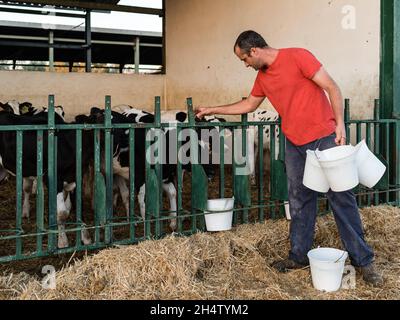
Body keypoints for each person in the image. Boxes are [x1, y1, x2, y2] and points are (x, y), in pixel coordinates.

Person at [195, 30, 383, 287]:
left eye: (244, 59)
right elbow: (249, 105)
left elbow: (332, 87)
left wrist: (340, 125)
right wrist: (212, 109)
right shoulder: (262, 78)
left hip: (324, 137)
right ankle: (299, 255)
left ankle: (363, 260)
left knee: (341, 196)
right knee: (298, 198)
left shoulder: (298, 57)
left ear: (254, 51)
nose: (245, 65)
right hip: (294, 143)